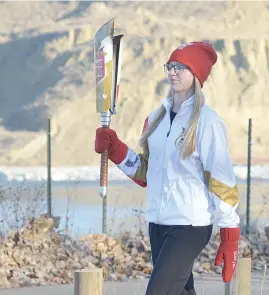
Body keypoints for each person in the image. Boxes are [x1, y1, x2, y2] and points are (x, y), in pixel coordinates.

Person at [94, 41, 241, 295]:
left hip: (190, 226)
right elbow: (145, 173)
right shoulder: (155, 119)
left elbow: (221, 179)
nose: (172, 72)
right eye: (170, 66)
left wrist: (230, 232)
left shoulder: (207, 122)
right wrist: (115, 148)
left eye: (181, 67)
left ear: (196, 75)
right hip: (158, 224)